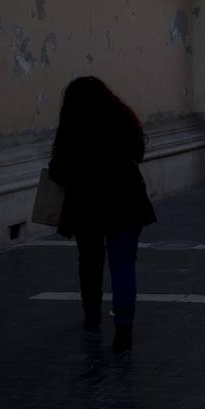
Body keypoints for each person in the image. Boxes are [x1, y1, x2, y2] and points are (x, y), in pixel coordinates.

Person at [48, 77, 156, 354]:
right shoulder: (123, 119)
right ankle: (123, 329)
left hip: (87, 207)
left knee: (90, 260)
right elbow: (138, 154)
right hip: (127, 202)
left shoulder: (71, 128)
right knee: (123, 265)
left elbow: (57, 171)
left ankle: (92, 313)